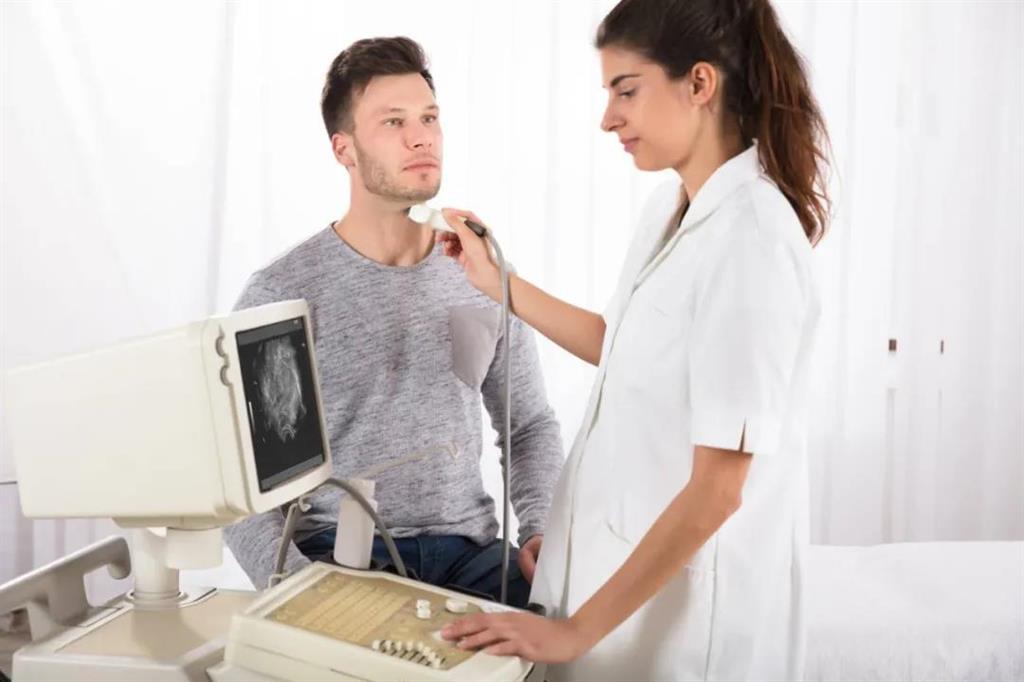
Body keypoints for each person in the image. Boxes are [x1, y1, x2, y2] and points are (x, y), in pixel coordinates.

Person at [437, 0, 830, 678]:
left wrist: (572, 634)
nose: (608, 118)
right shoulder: (672, 208)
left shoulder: (752, 240)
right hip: (617, 595)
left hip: (688, 633)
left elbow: (718, 490)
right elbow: (618, 344)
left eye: (626, 90)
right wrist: (500, 282)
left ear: (699, 83)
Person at [224, 36, 564, 608]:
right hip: (342, 555)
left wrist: (539, 529)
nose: (421, 137)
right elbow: (237, 482)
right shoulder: (282, 294)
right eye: (393, 122)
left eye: (429, 118)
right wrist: (296, 587)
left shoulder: (482, 272)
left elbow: (528, 424)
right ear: (344, 149)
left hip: (471, 555)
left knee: (571, 634)